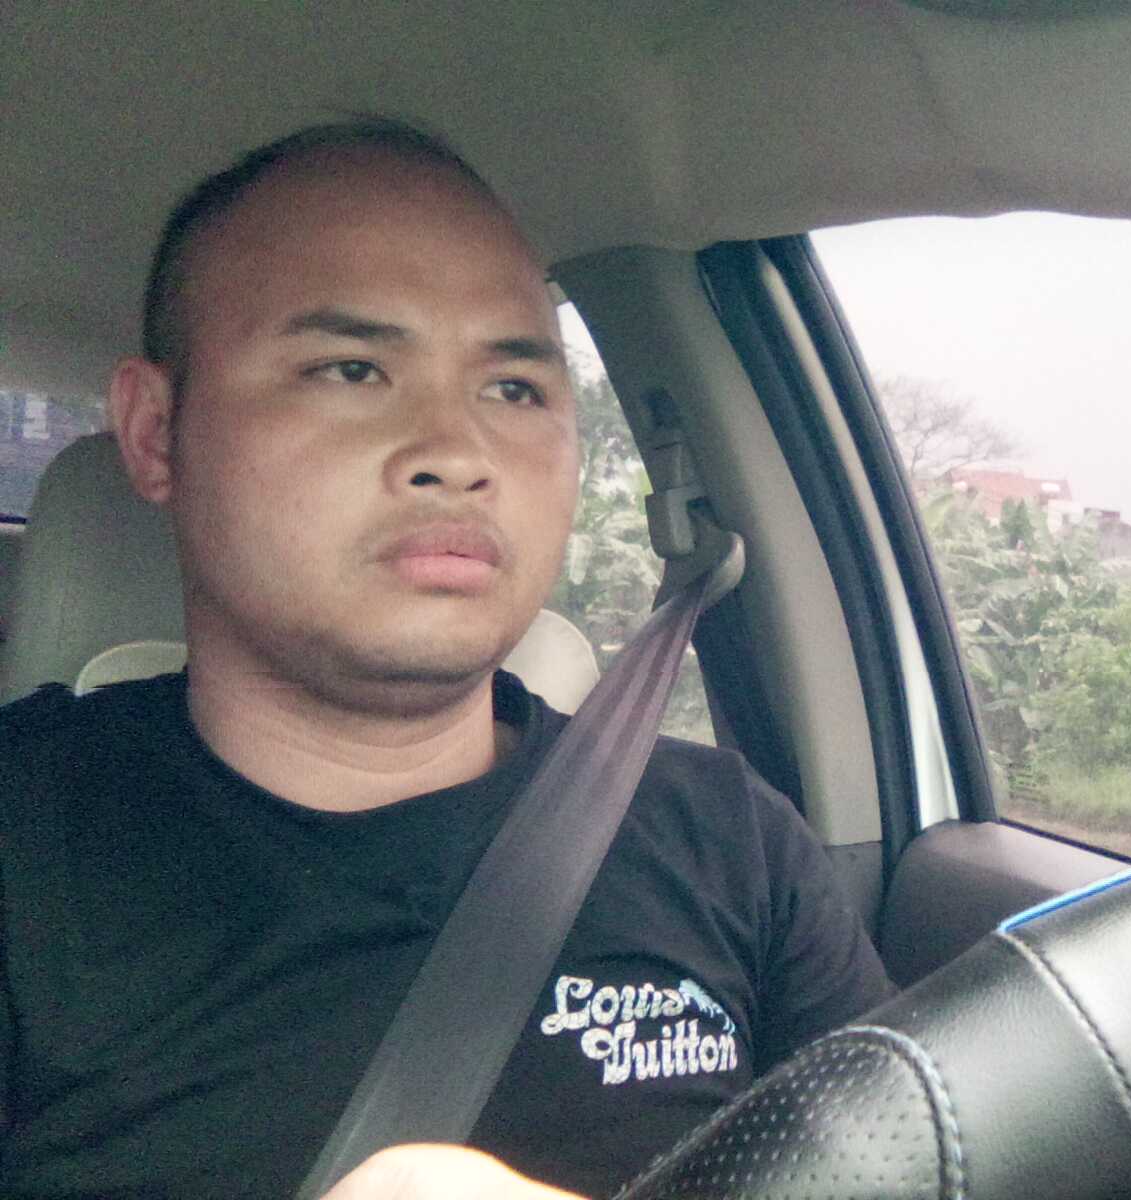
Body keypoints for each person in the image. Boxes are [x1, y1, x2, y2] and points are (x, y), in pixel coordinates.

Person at [0, 120, 895, 1199]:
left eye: (514, 389)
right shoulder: (26, 835)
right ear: (154, 434)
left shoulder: (727, 841)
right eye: (351, 369)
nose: (458, 454)